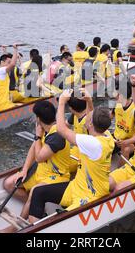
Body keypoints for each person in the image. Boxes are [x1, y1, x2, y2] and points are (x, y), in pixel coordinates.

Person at [27, 90, 115, 223]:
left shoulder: (92, 143)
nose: (86, 116)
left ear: (91, 124)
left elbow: (62, 130)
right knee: (38, 192)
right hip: (76, 186)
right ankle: (33, 225)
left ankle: (35, 231)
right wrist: (89, 101)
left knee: (60, 219)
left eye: (88, 118)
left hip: (89, 193)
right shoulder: (105, 135)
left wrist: (61, 102)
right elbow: (91, 116)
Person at [1, 100, 71, 231]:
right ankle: (37, 206)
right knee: (9, 184)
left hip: (56, 177)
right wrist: (24, 170)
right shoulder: (45, 129)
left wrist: (38, 137)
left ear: (38, 119)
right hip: (40, 172)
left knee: (35, 191)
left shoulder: (57, 136)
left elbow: (38, 157)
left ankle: (16, 227)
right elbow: (33, 149)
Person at [111, 79, 135, 163]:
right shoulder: (117, 104)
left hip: (131, 142)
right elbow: (109, 118)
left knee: (126, 150)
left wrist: (126, 142)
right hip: (117, 139)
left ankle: (120, 173)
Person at [0, 45, 20, 112]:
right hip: (3, 106)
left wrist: (4, 51)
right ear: (2, 62)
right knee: (21, 106)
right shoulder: (1, 71)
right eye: (8, 63)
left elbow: (4, 60)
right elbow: (12, 64)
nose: (9, 65)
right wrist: (15, 49)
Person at [66, 94, 90, 173]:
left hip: (86, 154)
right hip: (77, 149)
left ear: (71, 109)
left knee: (62, 165)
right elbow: (65, 126)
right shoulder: (75, 115)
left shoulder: (88, 121)